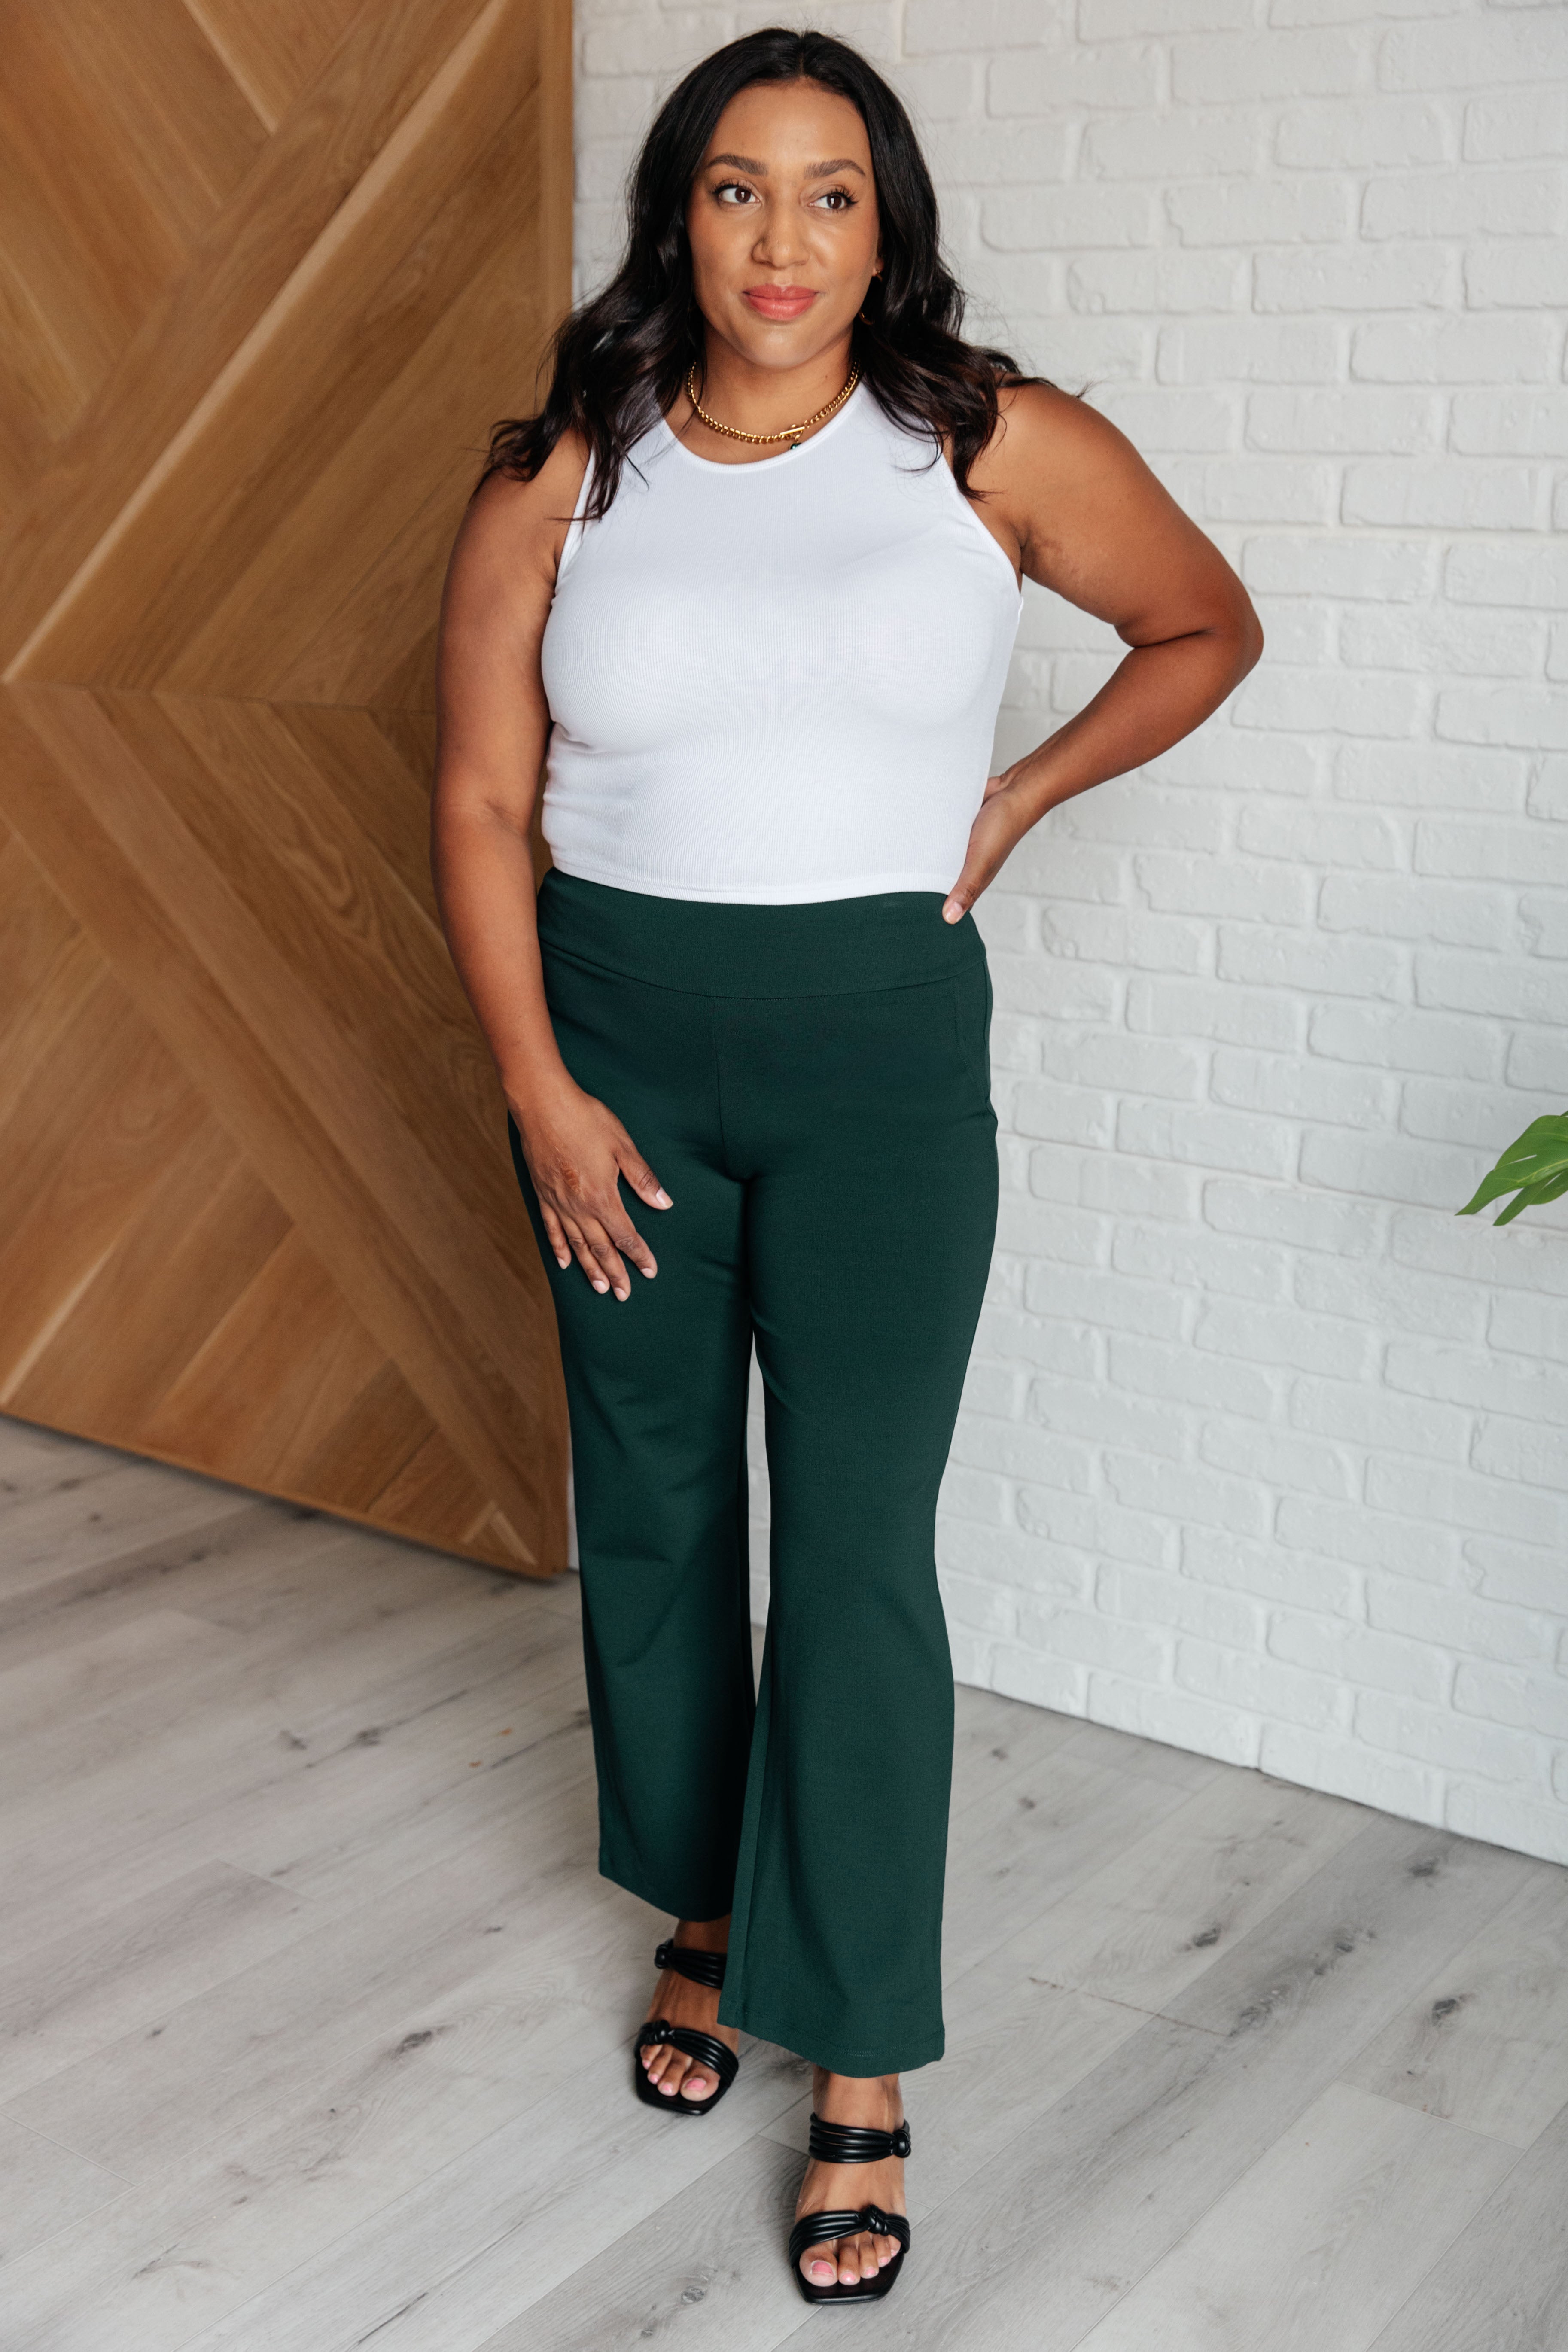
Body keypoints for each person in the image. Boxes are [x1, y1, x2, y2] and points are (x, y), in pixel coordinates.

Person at [430, 24, 1261, 2307]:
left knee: (863, 1546)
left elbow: (1204, 625)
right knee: (663, 1509)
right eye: (730, 189)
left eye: (825, 194)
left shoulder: (987, 446)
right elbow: (484, 801)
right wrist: (535, 1084)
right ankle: (706, 1909)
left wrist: (1007, 800)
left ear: (881, 219)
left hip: (881, 1060)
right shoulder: (563, 471)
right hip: (607, 1053)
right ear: (670, 218)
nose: (777, 241)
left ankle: (863, 2042)